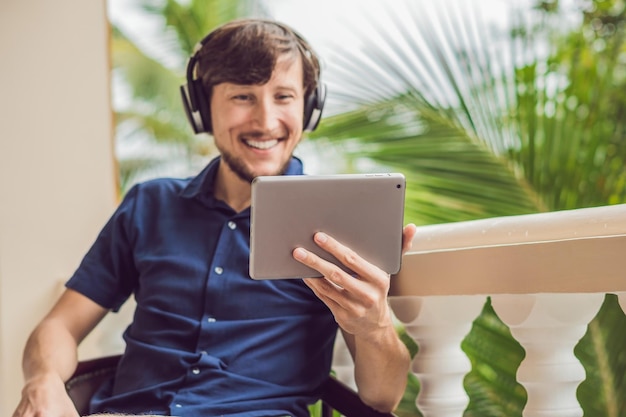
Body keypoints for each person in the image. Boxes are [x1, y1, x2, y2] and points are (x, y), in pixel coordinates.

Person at [12, 18, 417, 417]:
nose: (265, 121)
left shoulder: (337, 225)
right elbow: (59, 326)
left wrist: (374, 326)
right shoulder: (148, 205)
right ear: (203, 107)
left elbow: (383, 398)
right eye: (243, 96)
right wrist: (44, 380)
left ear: (309, 107)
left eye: (284, 96)